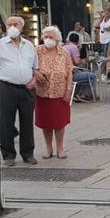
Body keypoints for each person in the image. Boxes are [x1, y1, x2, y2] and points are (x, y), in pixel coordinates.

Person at [0, 15, 39, 166]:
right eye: (10, 24)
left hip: (27, 88)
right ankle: (8, 155)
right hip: (6, 87)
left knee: (27, 121)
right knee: (6, 122)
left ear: (22, 27)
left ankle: (28, 153)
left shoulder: (29, 45)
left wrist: (33, 80)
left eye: (16, 24)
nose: (13, 27)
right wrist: (0, 81)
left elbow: (35, 67)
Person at [34, 25, 73, 159]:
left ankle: (60, 148)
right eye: (46, 37)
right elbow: (31, 65)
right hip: (43, 92)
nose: (48, 39)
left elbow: (69, 73)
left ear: (57, 39)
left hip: (59, 93)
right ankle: (48, 148)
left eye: (51, 37)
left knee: (59, 122)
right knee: (45, 122)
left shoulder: (64, 53)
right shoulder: (38, 51)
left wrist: (68, 91)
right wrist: (36, 72)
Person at [65, 31, 97, 102]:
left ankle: (77, 94)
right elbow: (77, 61)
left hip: (65, 74)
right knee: (92, 76)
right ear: (78, 41)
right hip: (71, 74)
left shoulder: (64, 47)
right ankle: (85, 95)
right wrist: (83, 61)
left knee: (83, 72)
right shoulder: (74, 47)